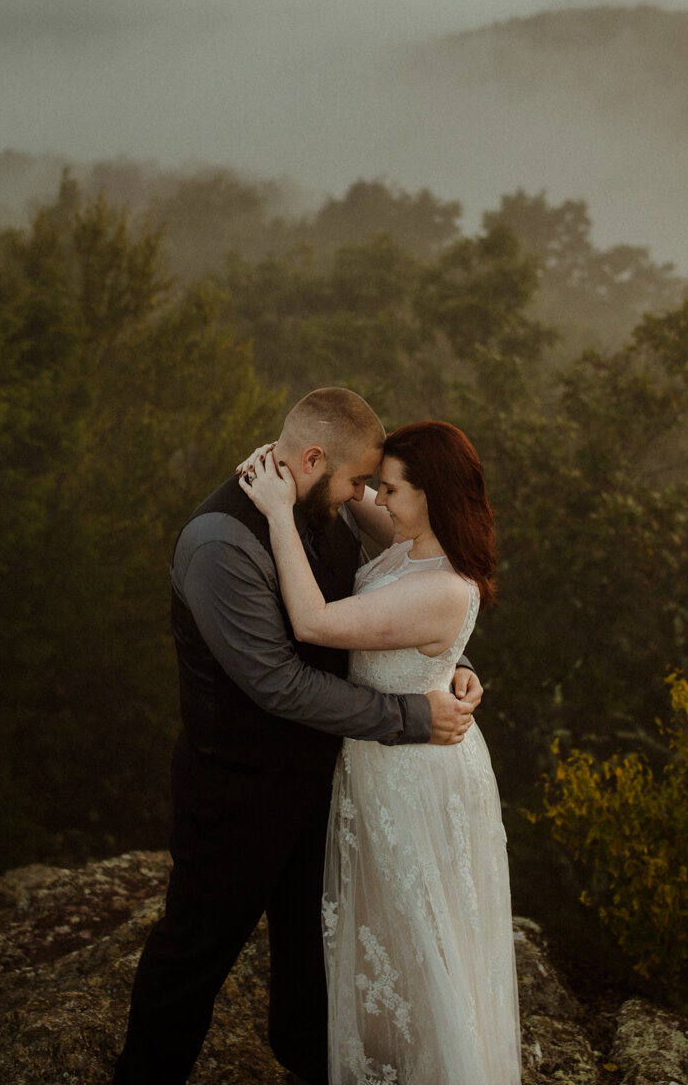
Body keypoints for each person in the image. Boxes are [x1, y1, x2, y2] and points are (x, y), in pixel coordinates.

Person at [112, 388, 484, 1085]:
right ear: (313, 459)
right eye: (355, 481)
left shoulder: (326, 504)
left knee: (317, 958)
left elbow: (391, 603)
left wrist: (448, 659)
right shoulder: (220, 544)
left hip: (328, 779)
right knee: (193, 956)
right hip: (237, 789)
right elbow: (278, 682)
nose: (363, 496)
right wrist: (412, 717)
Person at [241, 419, 521, 1085]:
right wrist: (286, 471)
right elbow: (331, 481)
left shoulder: (445, 585)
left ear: (433, 495)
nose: (375, 496)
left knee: (421, 941)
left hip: (416, 772)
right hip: (383, 753)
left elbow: (312, 621)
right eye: (377, 484)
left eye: (389, 487)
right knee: (387, 939)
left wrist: (279, 515)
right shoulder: (405, 535)